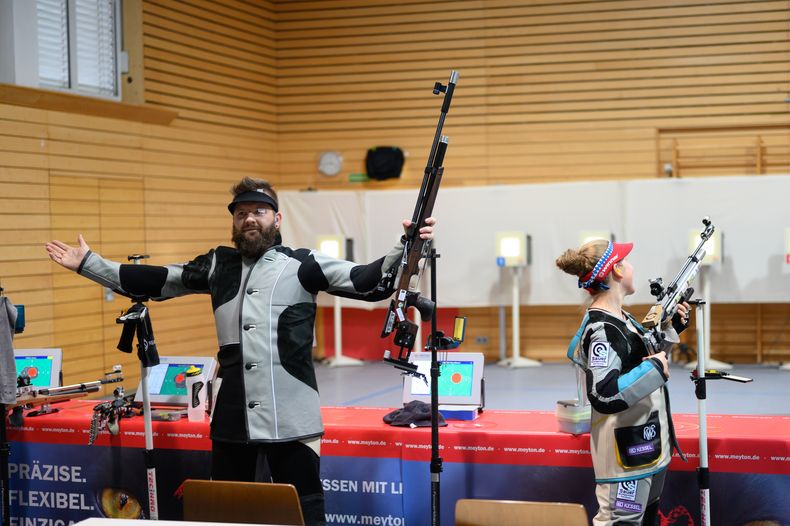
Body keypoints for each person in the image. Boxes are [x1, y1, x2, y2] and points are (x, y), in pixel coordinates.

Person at [46, 177, 436, 525]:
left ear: (277, 219)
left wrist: (408, 245)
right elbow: (160, 279)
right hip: (232, 416)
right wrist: (90, 264)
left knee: (304, 508)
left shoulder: (303, 263)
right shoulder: (218, 264)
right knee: (229, 511)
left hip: (293, 414)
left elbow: (369, 282)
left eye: (259, 212)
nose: (250, 219)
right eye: (242, 213)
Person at [556, 239, 689, 526]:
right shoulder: (603, 329)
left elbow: (638, 358)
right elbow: (604, 395)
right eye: (625, 260)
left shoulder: (622, 319)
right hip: (625, 457)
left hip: (645, 446)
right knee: (621, 521)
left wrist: (671, 329)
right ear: (616, 270)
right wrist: (654, 368)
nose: (631, 265)